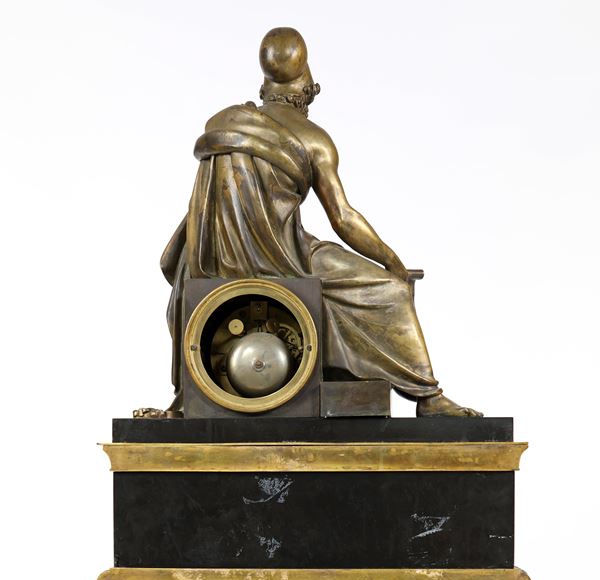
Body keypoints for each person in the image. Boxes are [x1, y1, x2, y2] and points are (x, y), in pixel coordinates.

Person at [160, 27, 481, 417]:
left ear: (264, 85)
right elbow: (343, 218)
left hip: (212, 261)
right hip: (288, 258)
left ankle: (187, 398)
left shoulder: (223, 123)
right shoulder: (314, 140)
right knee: (391, 292)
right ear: (306, 86)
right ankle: (428, 396)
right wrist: (391, 262)